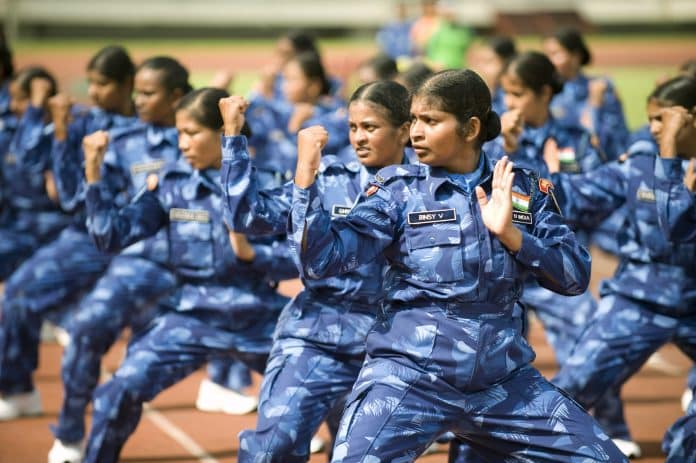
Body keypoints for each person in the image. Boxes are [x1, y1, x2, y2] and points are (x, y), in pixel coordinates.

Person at [289, 68, 626, 462]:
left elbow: (574, 277)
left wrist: (514, 237)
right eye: (414, 120)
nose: (415, 132)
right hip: (411, 377)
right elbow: (321, 261)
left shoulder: (522, 188)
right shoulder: (397, 190)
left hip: (502, 381)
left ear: (470, 128)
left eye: (430, 121)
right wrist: (305, 182)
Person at [80, 87, 296, 463]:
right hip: (193, 313)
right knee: (118, 393)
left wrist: (252, 255)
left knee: (331, 392)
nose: (182, 144)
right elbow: (111, 237)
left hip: (259, 315)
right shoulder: (172, 184)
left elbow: (301, 257)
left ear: (224, 134)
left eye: (193, 133)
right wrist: (93, 176)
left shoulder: (272, 182)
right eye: (179, 133)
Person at [220, 80, 412, 461]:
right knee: (271, 449)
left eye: (370, 127)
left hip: (393, 347)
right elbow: (246, 216)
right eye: (354, 127)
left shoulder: (429, 188)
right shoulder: (329, 180)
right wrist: (234, 138)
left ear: (404, 130)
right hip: (318, 336)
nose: (358, 137)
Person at [478, 49, 638, 458]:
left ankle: (610, 428)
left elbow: (592, 198)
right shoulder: (489, 143)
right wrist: (504, 150)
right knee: (487, 355)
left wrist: (548, 178)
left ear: (545, 93)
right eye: (505, 94)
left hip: (548, 268)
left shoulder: (573, 139)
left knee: (587, 338)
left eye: (517, 94)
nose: (510, 104)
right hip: (502, 270)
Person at [545, 75, 696, 463]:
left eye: (663, 120)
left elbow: (675, 224)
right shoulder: (640, 162)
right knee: (569, 390)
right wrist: (530, 181)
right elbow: (576, 194)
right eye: (651, 119)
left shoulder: (659, 159)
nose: (653, 128)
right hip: (641, 297)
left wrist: (669, 159)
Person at [44, 56, 187, 463]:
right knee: (87, 327)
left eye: (149, 93)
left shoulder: (202, 133)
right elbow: (81, 202)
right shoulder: (123, 143)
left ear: (176, 96)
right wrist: (86, 162)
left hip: (196, 274)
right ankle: (70, 432)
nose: (138, 101)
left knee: (134, 376)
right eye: (137, 91)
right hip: (138, 264)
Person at [0, 66, 71, 280]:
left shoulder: (65, 134)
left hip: (55, 229)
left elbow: (30, 158)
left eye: (21, 99)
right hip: (17, 227)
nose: (12, 106)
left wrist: (36, 107)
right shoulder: (9, 134)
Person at [468, 36, 517, 116]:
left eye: (489, 61)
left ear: (507, 62)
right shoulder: (480, 93)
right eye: (480, 61)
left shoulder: (510, 96)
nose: (481, 67)